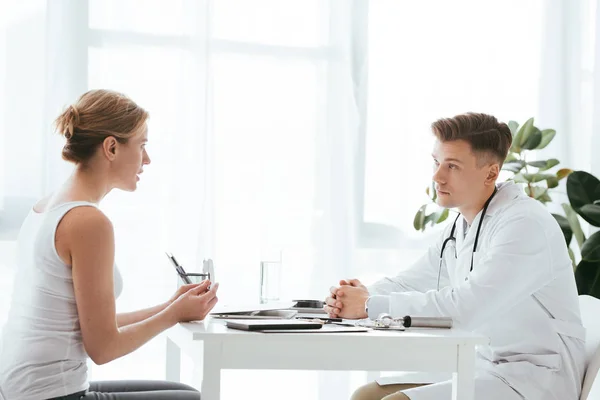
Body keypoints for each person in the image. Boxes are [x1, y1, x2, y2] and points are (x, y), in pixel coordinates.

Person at [325, 113, 586, 400]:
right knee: (366, 395)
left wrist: (369, 305)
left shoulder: (524, 224)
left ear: (490, 173)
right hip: (485, 366)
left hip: (536, 378)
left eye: (452, 166)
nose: (437, 176)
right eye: (437, 162)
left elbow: (465, 308)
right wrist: (353, 297)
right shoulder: (462, 225)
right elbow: (412, 281)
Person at [0, 89, 219, 400]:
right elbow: (104, 348)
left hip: (23, 388)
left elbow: (94, 325)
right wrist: (171, 316)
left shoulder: (46, 208)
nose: (147, 159)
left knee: (185, 392)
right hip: (50, 394)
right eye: (142, 145)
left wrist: (173, 307)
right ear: (112, 147)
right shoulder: (88, 222)